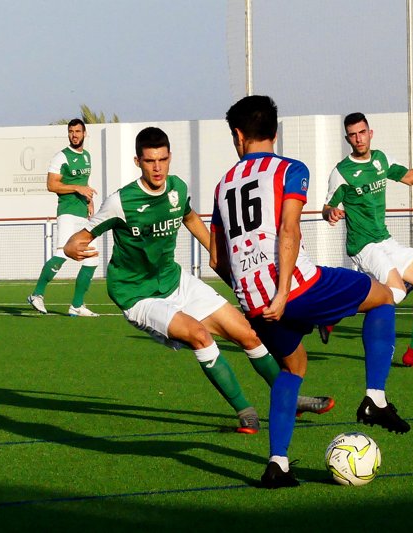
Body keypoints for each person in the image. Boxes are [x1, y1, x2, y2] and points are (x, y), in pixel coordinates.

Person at [63, 126, 333, 434]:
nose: (157, 167)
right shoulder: (121, 202)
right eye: (150, 161)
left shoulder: (176, 188)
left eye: (163, 160)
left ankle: (291, 399)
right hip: (137, 295)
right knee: (199, 335)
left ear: (169, 158)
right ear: (137, 161)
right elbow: (80, 237)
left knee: (248, 334)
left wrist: (218, 254)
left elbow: (190, 218)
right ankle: (245, 411)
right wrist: (73, 247)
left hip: (176, 281)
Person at [210, 96, 410, 489]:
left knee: (293, 369)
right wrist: (283, 292)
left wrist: (255, 293)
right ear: (275, 131)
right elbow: (289, 230)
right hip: (295, 287)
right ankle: (375, 399)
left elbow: (218, 258)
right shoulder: (289, 169)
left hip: (253, 301)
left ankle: (278, 465)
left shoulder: (223, 185)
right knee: (384, 296)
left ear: (238, 135)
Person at [322, 112, 413, 368]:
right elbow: (327, 206)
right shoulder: (342, 172)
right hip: (363, 244)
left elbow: (412, 177)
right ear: (347, 138)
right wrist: (332, 213)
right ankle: (334, 313)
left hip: (384, 239)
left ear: (370, 133)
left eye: (362, 132)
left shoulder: (382, 160)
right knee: (396, 292)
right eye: (353, 135)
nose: (358, 138)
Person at [28, 118, 99, 317]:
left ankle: (76, 306)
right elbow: (51, 185)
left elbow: (84, 182)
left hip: (83, 214)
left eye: (78, 131)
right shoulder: (61, 157)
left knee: (92, 258)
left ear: (85, 133)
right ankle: (37, 295)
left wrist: (88, 200)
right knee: (62, 254)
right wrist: (76, 188)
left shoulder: (87, 156)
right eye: (71, 131)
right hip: (67, 212)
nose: (74, 135)